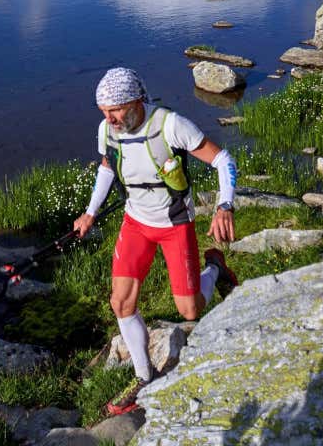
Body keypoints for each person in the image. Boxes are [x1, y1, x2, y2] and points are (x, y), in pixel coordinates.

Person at [73, 67, 240, 416]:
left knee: (190, 310)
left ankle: (215, 268)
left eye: (116, 110)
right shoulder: (107, 130)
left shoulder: (170, 125)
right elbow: (107, 167)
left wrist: (224, 205)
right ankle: (143, 376)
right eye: (104, 111)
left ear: (136, 101)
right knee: (121, 303)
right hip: (136, 220)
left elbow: (223, 159)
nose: (110, 118)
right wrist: (90, 213)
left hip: (174, 222)